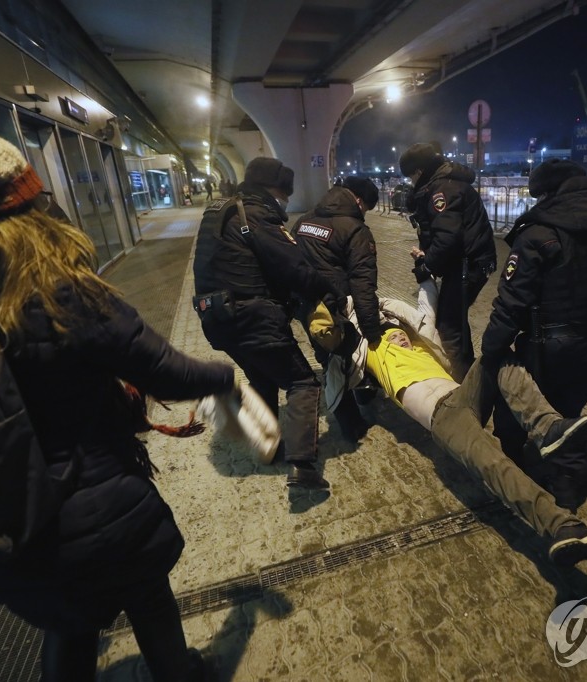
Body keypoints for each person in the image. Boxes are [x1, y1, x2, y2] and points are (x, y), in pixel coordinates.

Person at [0, 103, 230, 681]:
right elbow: (167, 372)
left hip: (0, 522)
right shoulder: (58, 291)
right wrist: (225, 376)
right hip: (97, 508)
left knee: (69, 627)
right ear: (21, 206)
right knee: (148, 603)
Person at [326, 280, 587, 568]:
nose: (400, 339)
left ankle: (547, 428)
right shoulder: (366, 353)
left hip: (462, 393)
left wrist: (424, 274)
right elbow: (334, 375)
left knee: (497, 355)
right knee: (496, 465)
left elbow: (426, 306)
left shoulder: (418, 338)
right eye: (392, 338)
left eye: (400, 334)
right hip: (443, 419)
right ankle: (562, 525)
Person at [479, 159, 587, 510]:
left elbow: (511, 302)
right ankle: (567, 485)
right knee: (569, 411)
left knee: (513, 407)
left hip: (549, 345)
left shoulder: (539, 234)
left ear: (548, 193)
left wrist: (491, 349)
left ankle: (513, 474)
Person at [193, 157, 341, 489]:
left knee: (263, 378)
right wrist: (330, 290)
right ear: (273, 189)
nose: (286, 201)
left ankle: (268, 445)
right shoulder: (257, 217)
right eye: (284, 194)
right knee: (303, 383)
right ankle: (302, 466)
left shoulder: (221, 212)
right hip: (252, 316)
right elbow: (295, 269)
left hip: (216, 317)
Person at [292, 176, 381, 441]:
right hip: (336, 308)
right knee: (341, 362)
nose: (364, 213)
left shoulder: (303, 220)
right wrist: (372, 329)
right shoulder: (355, 230)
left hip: (306, 306)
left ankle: (361, 396)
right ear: (358, 200)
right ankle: (351, 425)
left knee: (326, 353)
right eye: (366, 208)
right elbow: (363, 285)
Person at [399, 142, 497, 381]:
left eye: (411, 176)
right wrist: (427, 256)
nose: (411, 182)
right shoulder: (445, 184)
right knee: (454, 320)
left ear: (419, 172)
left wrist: (427, 265)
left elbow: (448, 237)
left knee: (449, 324)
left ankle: (461, 384)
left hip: (468, 265)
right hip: (468, 262)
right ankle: (470, 374)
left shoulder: (442, 190)